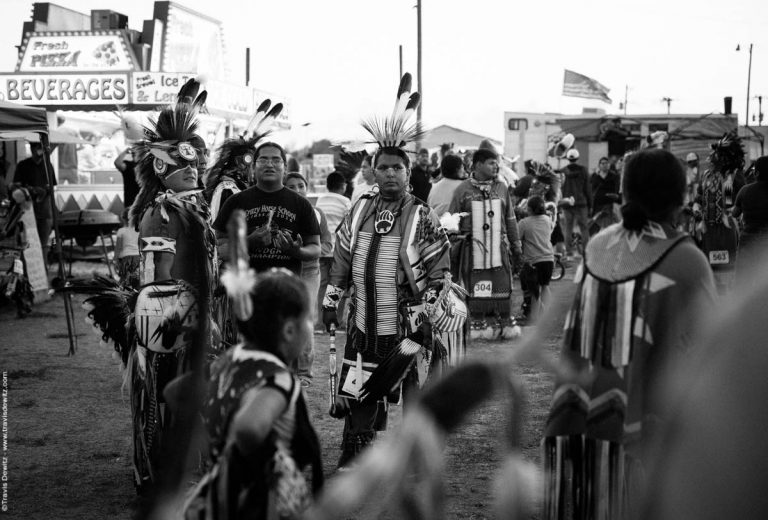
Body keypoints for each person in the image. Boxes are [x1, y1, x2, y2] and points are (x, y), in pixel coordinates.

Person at [542, 148, 717, 520]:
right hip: (652, 429)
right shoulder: (686, 259)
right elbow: (711, 352)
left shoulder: (598, 246)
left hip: (591, 418)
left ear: (623, 193)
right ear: (681, 198)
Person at [321, 73, 451, 469]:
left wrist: (425, 312)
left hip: (407, 323)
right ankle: (357, 448)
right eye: (383, 167)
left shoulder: (422, 215)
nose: (390, 173)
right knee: (358, 383)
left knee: (414, 390)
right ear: (373, 171)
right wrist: (330, 300)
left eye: (397, 168)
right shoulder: (360, 209)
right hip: (364, 320)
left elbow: (440, 272)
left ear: (408, 173)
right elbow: (341, 260)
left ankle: (414, 455)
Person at [127, 79, 218, 494]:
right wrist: (186, 321)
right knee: (171, 392)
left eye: (195, 165)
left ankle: (185, 464)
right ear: (163, 171)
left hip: (194, 315)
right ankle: (168, 470)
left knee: (191, 392)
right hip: (172, 324)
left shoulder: (190, 208)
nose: (193, 170)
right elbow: (158, 280)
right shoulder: (162, 213)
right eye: (183, 166)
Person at [185, 269, 324, 519]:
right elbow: (248, 428)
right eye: (308, 319)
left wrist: (215, 437)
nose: (310, 327)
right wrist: (273, 469)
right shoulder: (277, 379)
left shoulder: (227, 361)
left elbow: (175, 393)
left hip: (217, 501)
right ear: (289, 330)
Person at [213, 142, 321, 276]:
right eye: (263, 160)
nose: (269, 165)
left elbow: (315, 247)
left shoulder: (301, 204)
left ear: (285, 167)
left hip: (286, 286)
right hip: (246, 286)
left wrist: (296, 251)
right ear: (253, 167)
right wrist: (248, 242)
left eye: (276, 160)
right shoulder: (235, 202)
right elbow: (219, 249)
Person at [449, 147, 522, 339]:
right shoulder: (462, 190)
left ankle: (506, 324)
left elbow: (510, 219)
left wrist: (516, 246)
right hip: (472, 252)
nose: (496, 166)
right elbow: (451, 220)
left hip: (498, 249)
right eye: (491, 163)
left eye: (497, 163)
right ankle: (478, 326)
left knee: (502, 286)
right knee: (477, 287)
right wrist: (455, 239)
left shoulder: (502, 188)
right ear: (478, 165)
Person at [284, 172, 332, 385]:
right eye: (291, 186)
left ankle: (304, 372)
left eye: (301, 185)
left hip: (310, 271)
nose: (297, 190)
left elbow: (327, 244)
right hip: (284, 270)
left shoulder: (317, 214)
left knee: (304, 319)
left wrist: (309, 250)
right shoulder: (279, 212)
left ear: (307, 187)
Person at [204, 100, 284, 222]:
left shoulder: (238, 186)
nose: (254, 168)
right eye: (253, 162)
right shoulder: (228, 189)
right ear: (240, 162)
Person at [693, 131, 746, 293]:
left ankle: (729, 294)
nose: (711, 156)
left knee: (729, 262)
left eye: (716, 153)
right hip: (708, 228)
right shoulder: (706, 175)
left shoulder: (736, 176)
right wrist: (696, 207)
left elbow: (741, 201)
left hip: (728, 228)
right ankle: (712, 291)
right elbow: (699, 197)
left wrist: (731, 213)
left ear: (725, 158)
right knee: (709, 262)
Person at [315, 171, 352, 326]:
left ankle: (320, 321)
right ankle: (337, 320)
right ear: (343, 186)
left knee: (322, 285)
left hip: (323, 249)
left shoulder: (320, 200)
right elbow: (349, 225)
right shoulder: (346, 201)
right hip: (339, 250)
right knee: (338, 285)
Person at [14, 142, 55, 267]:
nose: (39, 151)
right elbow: (16, 186)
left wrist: (44, 191)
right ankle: (26, 271)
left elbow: (52, 187)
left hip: (44, 212)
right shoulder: (23, 165)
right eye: (37, 148)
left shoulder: (48, 166)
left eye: (41, 148)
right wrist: (30, 190)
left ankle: (43, 271)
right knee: (27, 243)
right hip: (27, 212)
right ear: (32, 149)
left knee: (43, 244)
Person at [517, 196, 554, 322]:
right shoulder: (547, 220)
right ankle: (547, 316)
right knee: (545, 286)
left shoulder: (524, 223)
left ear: (530, 209)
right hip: (549, 259)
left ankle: (534, 319)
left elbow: (516, 238)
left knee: (534, 292)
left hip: (533, 261)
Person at [732, 155, 768, 281]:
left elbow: (735, 213)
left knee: (744, 278)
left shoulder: (745, 190)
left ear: (756, 173)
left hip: (748, 241)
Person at [559, 148, 592, 257]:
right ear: (577, 158)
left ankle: (569, 251)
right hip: (581, 203)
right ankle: (586, 251)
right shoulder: (584, 170)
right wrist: (590, 204)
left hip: (567, 204)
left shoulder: (563, 171)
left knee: (568, 228)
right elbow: (587, 188)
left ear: (568, 158)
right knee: (584, 228)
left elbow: (560, 189)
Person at [590, 156, 621, 232]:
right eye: (602, 163)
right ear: (599, 165)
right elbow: (591, 189)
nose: (604, 165)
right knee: (595, 224)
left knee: (607, 224)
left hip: (609, 204)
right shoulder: (595, 176)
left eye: (606, 163)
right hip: (597, 204)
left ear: (609, 165)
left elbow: (617, 189)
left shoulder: (614, 176)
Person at [113, 209, 139, 289]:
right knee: (137, 279)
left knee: (124, 280)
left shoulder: (121, 231)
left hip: (126, 259)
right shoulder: (139, 230)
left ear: (123, 218)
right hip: (138, 257)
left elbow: (118, 247)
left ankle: (123, 293)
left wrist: (115, 259)